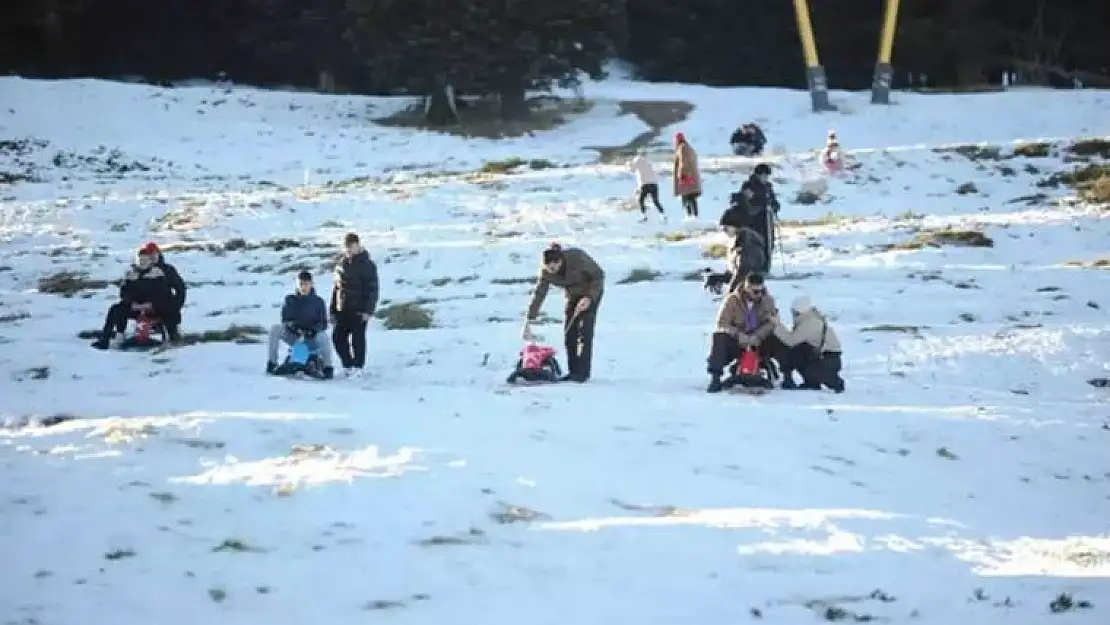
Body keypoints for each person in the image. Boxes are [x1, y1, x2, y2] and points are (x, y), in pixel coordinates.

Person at [522, 243, 605, 383]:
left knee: (585, 331)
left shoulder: (577, 257)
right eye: (549, 266)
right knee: (569, 332)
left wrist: (589, 297)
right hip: (572, 296)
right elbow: (540, 293)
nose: (552, 268)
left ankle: (582, 374)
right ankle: (573, 372)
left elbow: (599, 275)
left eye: (556, 264)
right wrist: (530, 318)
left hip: (590, 292)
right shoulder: (545, 271)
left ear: (561, 260)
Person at [92, 242, 182, 349]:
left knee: (169, 308)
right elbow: (124, 292)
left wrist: (151, 305)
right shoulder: (131, 274)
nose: (143, 262)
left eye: (146, 259)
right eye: (141, 259)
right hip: (136, 306)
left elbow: (163, 293)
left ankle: (172, 336)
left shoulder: (158, 273)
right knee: (116, 309)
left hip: (155, 307)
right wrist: (132, 304)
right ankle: (107, 339)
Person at [705, 273, 779, 393]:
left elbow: (772, 322)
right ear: (747, 288)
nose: (759, 294)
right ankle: (715, 377)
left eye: (761, 291)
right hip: (738, 339)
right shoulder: (732, 300)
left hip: (758, 340)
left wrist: (758, 335)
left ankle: (786, 374)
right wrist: (738, 335)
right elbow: (722, 323)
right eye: (755, 292)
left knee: (778, 336)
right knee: (719, 337)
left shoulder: (768, 300)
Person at [267, 271, 335, 379]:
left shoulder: (318, 302)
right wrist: (293, 327)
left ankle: (328, 368)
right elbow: (285, 319)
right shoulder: (290, 300)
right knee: (275, 329)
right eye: (301, 284)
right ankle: (272, 363)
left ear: (311, 284)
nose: (303, 287)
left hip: (312, 337)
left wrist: (313, 330)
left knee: (323, 337)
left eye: (306, 284)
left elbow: (323, 323)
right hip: (294, 335)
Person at [771, 295, 845, 393]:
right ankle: (811, 382)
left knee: (803, 359)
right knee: (797, 354)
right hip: (820, 355)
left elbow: (791, 341)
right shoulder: (809, 318)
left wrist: (776, 325)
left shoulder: (810, 323)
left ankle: (835, 382)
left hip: (829, 359)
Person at [330, 232, 379, 377]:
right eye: (346, 247)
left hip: (360, 309)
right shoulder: (341, 264)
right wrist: (332, 310)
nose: (349, 250)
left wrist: (368, 310)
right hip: (342, 309)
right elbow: (336, 289)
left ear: (358, 245)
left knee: (358, 339)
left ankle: (358, 367)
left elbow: (373, 289)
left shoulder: (367, 265)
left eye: (351, 246)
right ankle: (347, 365)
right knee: (338, 337)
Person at [738, 163, 780, 272]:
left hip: (767, 220)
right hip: (754, 222)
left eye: (767, 176)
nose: (765, 178)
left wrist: (775, 206)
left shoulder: (768, 186)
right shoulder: (748, 186)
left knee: (769, 244)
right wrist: (762, 207)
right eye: (764, 175)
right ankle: (754, 268)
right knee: (756, 244)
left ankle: (766, 267)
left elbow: (773, 200)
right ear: (758, 175)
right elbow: (746, 203)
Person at [702, 226, 767, 295]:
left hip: (746, 272)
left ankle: (714, 280)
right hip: (744, 270)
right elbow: (737, 274)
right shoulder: (750, 247)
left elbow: (739, 274)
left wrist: (730, 292)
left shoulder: (748, 251)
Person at [628, 150, 666, 222]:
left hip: (645, 184)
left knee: (641, 200)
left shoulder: (637, 159)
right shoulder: (648, 161)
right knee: (655, 201)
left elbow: (632, 169)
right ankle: (663, 216)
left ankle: (644, 216)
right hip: (654, 183)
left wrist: (629, 164)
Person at [672, 132, 702, 219]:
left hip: (686, 178)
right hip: (692, 178)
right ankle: (695, 217)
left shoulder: (682, 148)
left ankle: (689, 217)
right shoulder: (689, 147)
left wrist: (681, 175)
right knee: (692, 199)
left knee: (686, 198)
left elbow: (683, 162)